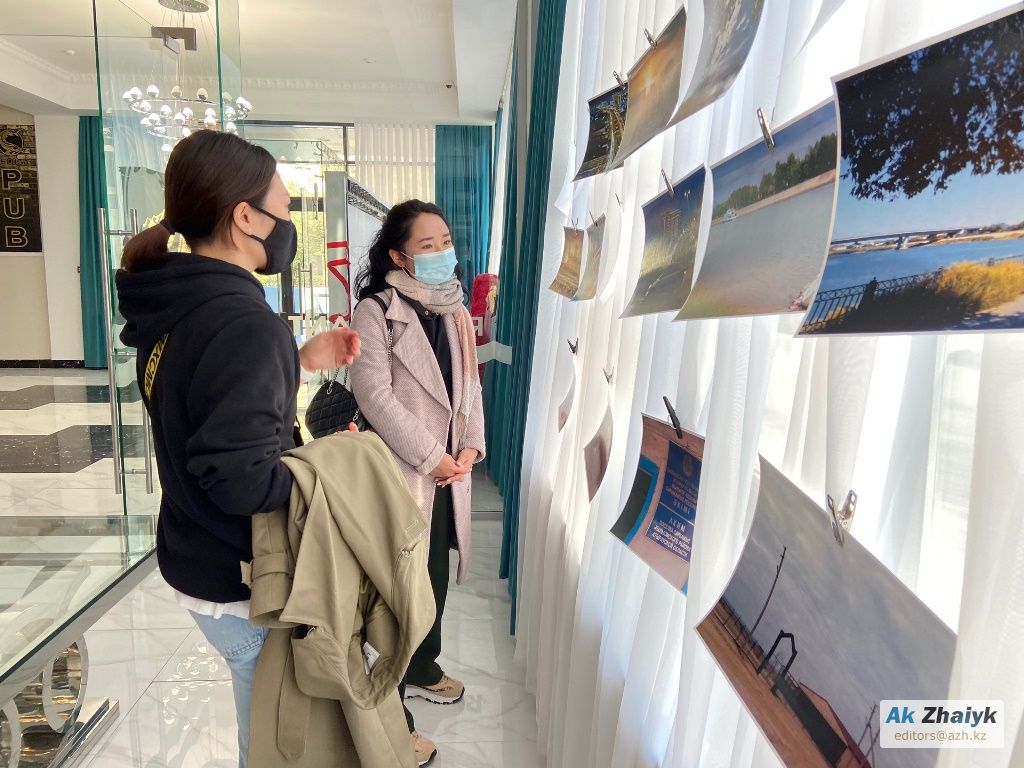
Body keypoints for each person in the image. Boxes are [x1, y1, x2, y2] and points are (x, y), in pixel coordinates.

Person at [115, 130, 360, 768]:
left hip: (194, 551)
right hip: (243, 577)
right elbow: (241, 480)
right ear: (244, 217)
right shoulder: (243, 322)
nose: (289, 221)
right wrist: (331, 465)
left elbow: (200, 397)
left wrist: (296, 361)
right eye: (283, 206)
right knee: (281, 745)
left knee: (266, 726)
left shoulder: (178, 302)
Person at [350, 200, 486, 766]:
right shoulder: (376, 311)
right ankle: (393, 717)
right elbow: (374, 396)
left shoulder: (454, 309)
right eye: (427, 246)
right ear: (399, 256)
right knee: (400, 595)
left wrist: (471, 445)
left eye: (445, 242)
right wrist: (433, 457)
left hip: (450, 473)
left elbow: (469, 386)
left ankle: (425, 667)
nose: (441, 253)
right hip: (405, 474)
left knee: (435, 578)